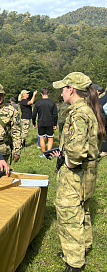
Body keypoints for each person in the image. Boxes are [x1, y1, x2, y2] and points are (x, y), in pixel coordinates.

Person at [51, 72, 105, 272]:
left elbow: (75, 154)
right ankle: (81, 249)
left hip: (76, 174)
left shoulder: (79, 113)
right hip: (88, 174)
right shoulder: (89, 110)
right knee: (83, 211)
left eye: (63, 89)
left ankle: (74, 262)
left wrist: (65, 161)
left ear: (71, 89)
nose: (61, 93)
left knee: (69, 214)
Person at [32, 87, 58, 157]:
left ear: (41, 94)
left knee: (42, 138)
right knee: (50, 138)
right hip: (50, 122)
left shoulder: (38, 103)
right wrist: (55, 124)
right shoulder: (52, 103)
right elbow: (55, 115)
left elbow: (34, 114)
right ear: (48, 93)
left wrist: (33, 123)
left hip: (41, 122)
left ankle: (44, 153)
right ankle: (49, 153)